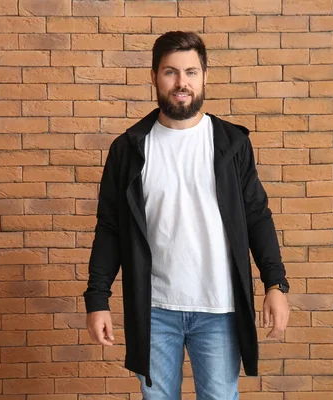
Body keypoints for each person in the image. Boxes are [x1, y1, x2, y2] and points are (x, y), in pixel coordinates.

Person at [84, 31, 290, 399]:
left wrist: (275, 283)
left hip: (219, 310)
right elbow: (110, 228)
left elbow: (257, 216)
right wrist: (97, 300)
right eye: (171, 72)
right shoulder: (129, 148)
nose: (182, 83)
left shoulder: (232, 144)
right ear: (154, 76)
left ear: (204, 76)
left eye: (191, 72)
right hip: (154, 311)